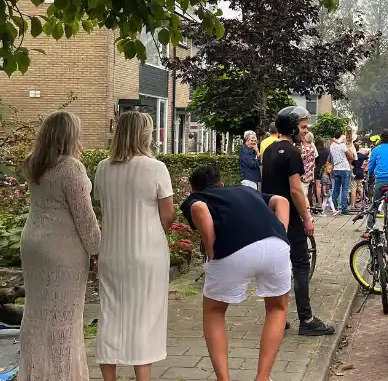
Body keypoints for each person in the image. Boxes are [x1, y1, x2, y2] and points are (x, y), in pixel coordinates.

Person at [181, 165, 292, 381]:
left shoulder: (197, 198)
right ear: (221, 184)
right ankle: (262, 377)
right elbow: (282, 201)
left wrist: (210, 246)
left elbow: (200, 209)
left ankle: (224, 379)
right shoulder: (247, 191)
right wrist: (281, 232)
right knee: (277, 308)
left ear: (193, 189)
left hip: (232, 249)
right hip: (275, 246)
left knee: (214, 312)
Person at [18, 111, 100, 381]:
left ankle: (35, 373)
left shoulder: (34, 163)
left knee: (37, 312)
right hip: (62, 250)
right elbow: (85, 219)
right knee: (65, 319)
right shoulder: (71, 168)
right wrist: (97, 248)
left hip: (33, 243)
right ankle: (62, 375)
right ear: (68, 136)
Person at [94, 111, 174, 381]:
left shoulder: (103, 168)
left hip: (112, 251)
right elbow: (167, 215)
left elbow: (102, 205)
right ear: (145, 135)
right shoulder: (155, 168)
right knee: (146, 317)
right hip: (147, 252)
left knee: (110, 314)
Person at [261, 106, 336, 337]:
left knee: (275, 268)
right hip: (291, 218)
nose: (306, 131)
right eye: (303, 127)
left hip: (271, 216)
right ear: (292, 128)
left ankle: (277, 316)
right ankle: (307, 319)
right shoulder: (292, 153)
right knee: (301, 266)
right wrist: (307, 218)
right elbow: (295, 190)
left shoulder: (269, 150)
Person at [328, 130, 354, 214]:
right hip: (345, 168)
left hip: (336, 168)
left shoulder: (331, 146)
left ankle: (334, 206)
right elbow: (351, 156)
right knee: (345, 189)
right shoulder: (343, 146)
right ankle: (344, 209)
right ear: (340, 136)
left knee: (336, 189)